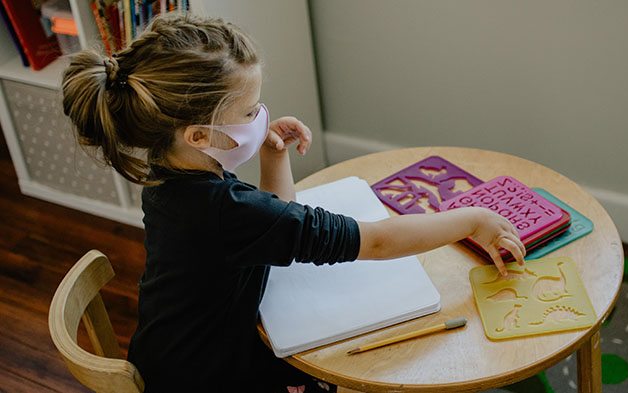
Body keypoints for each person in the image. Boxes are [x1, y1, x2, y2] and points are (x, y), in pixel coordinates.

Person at [61, 12, 525, 393]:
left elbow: (272, 227)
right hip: (212, 377)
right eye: (248, 113)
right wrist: (472, 219)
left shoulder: (168, 175)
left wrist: (270, 152)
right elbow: (379, 243)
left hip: (172, 356)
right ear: (199, 136)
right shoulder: (225, 210)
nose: (260, 117)